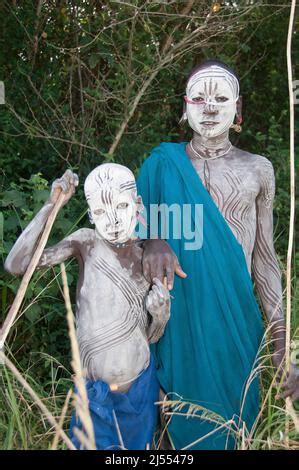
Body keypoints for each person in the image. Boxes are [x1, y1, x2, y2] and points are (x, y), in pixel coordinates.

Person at [136, 59, 299, 450]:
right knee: (169, 429)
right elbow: (124, 241)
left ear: (237, 109)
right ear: (185, 105)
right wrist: (151, 241)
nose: (210, 107)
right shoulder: (161, 165)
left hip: (236, 322)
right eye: (200, 97)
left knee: (235, 428)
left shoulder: (258, 170)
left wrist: (279, 343)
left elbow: (264, 261)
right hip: (174, 322)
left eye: (220, 98)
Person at [4, 163, 171, 450]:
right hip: (96, 395)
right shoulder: (86, 243)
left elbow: (153, 335)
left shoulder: (149, 257)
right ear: (91, 216)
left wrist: (161, 314)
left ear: (138, 205)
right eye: (101, 212)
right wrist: (50, 205)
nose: (114, 220)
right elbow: (16, 264)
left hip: (140, 389)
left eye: (121, 206)